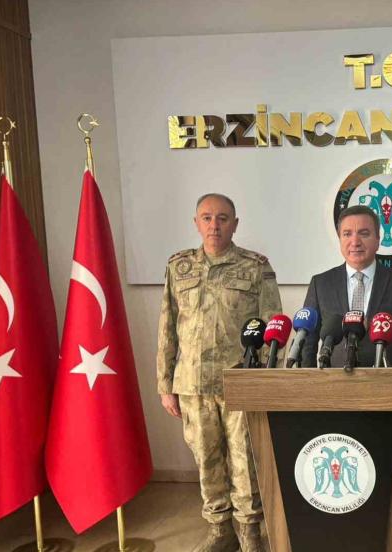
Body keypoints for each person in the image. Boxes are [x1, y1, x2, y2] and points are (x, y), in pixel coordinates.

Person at [156, 193, 282, 552]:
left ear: (235, 224)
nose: (215, 225)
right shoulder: (178, 267)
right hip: (192, 384)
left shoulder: (255, 267)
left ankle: (250, 532)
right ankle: (220, 530)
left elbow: (274, 328)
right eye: (207, 218)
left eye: (223, 218)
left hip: (240, 383)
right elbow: (167, 327)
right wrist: (165, 384)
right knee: (206, 461)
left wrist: (267, 383)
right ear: (196, 223)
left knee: (245, 461)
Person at [299, 205, 392, 368]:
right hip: (333, 380)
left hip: (387, 379)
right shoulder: (321, 284)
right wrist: (309, 380)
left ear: (378, 239)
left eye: (364, 233)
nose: (355, 242)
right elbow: (308, 343)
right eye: (347, 234)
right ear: (340, 239)